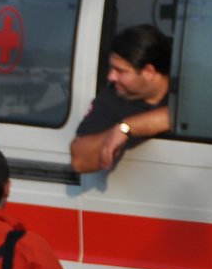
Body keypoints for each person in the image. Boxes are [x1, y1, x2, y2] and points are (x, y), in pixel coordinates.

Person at [71, 24, 173, 173]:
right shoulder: (113, 97)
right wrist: (109, 137)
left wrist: (125, 128)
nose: (111, 77)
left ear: (149, 72)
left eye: (120, 71)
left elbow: (186, 117)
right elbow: (79, 160)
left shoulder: (188, 90)